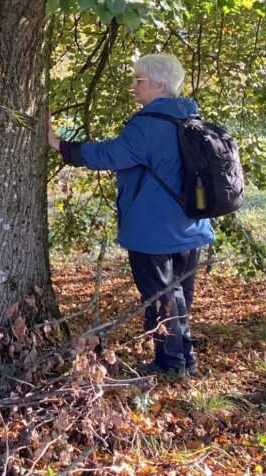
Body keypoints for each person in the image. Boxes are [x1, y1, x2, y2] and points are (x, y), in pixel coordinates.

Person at [48, 54, 214, 377]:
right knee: (180, 294)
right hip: (191, 226)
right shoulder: (191, 119)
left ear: (160, 85)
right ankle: (185, 359)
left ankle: (170, 364)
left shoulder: (148, 125)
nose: (134, 87)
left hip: (153, 229)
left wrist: (59, 145)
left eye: (139, 81)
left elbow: (109, 154)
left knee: (161, 296)